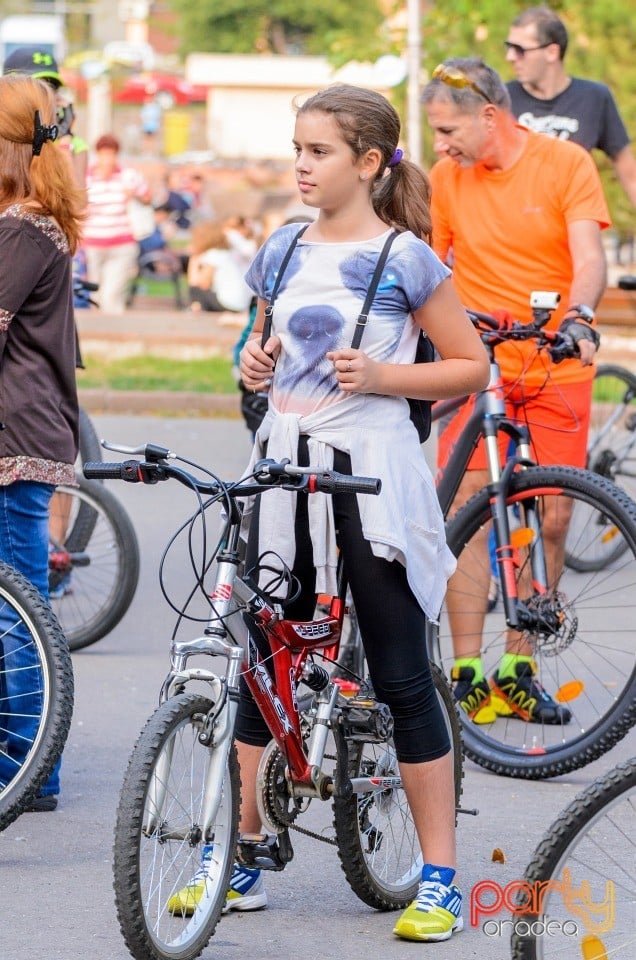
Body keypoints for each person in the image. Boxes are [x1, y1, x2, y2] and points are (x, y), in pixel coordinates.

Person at [168, 84, 489, 940]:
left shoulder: (406, 259)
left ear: (369, 163)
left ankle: (440, 878)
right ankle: (238, 852)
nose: (301, 166)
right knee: (261, 663)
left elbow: (470, 367)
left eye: (319, 152)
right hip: (282, 471)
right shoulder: (277, 249)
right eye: (298, 149)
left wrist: (386, 377)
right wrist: (255, 368)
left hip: (372, 480)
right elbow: (261, 347)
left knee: (397, 670)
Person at [421, 58, 610, 724]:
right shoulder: (447, 179)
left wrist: (579, 317)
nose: (440, 145)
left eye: (448, 129)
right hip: (482, 364)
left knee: (551, 516)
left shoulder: (564, 165)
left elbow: (589, 257)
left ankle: (519, 666)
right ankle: (469, 673)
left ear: (489, 117)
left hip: (555, 360)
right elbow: (429, 268)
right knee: (473, 511)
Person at [0, 74, 84, 811]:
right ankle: (29, 763)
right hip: (26, 434)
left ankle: (29, 767)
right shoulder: (30, 220)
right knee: (20, 604)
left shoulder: (23, 227)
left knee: (16, 608)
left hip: (13, 439)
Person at [505, 6, 636, 207]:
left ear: (551, 52)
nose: (510, 57)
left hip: (575, 223)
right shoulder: (502, 100)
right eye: (509, 48)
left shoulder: (594, 97)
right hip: (517, 225)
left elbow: (630, 175)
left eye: (520, 50)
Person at [2, 46, 89, 195]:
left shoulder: (71, 144)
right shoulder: (5, 135)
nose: (48, 95)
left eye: (51, 87)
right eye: (38, 86)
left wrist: (64, 138)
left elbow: (77, 204)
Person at [83, 134, 152, 315]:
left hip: (122, 242)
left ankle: (114, 328)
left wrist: (134, 196)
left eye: (111, 155)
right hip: (93, 243)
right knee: (94, 293)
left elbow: (147, 198)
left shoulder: (128, 176)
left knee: (112, 294)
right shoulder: (86, 177)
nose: (108, 160)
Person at [186, 219, 253, 313]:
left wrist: (194, 259)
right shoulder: (224, 253)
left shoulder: (213, 255)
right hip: (241, 303)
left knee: (195, 289)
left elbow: (201, 283)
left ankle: (196, 308)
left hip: (228, 304)